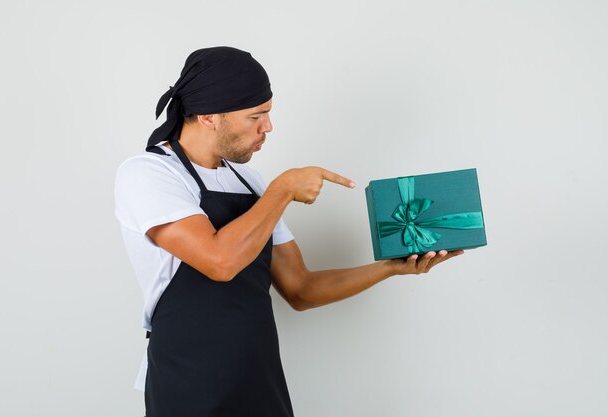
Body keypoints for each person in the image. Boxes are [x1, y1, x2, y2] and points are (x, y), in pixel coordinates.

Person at [114, 46, 464, 417]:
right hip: (188, 384)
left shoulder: (250, 182)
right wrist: (282, 190)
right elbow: (219, 261)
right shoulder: (148, 174)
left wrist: (393, 267)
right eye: (256, 116)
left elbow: (300, 288)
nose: (268, 127)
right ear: (209, 116)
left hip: (258, 379)